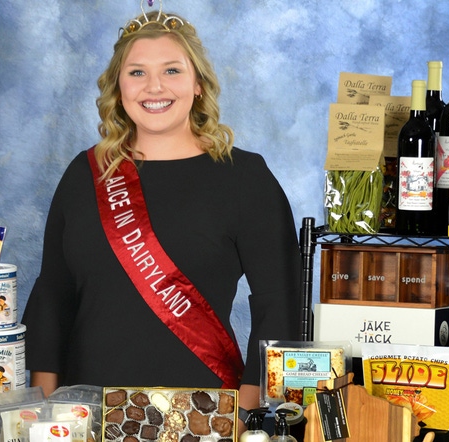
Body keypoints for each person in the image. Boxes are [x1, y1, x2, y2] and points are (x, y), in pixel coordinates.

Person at [22, 3, 301, 419]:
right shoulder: (86, 174)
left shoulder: (245, 176)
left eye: (172, 70)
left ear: (198, 85)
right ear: (119, 87)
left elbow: (279, 302)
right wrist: (40, 410)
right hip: (89, 412)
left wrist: (241, 411)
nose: (154, 87)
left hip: (201, 413)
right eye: (137, 72)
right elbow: (53, 295)